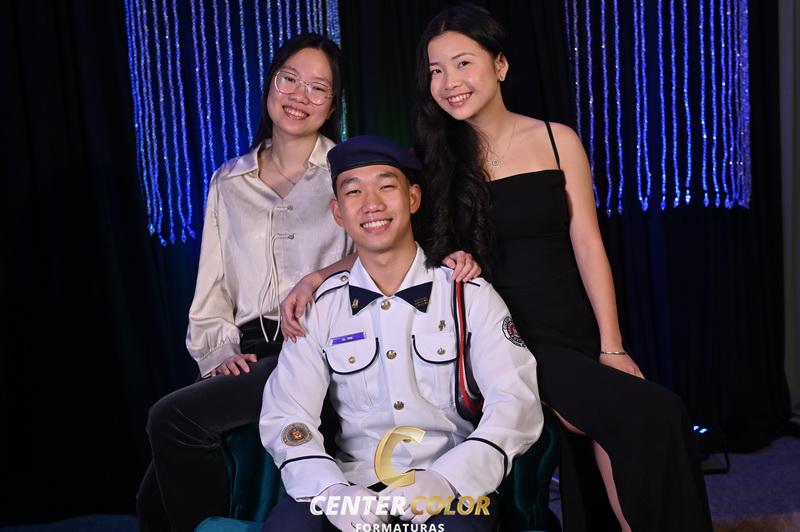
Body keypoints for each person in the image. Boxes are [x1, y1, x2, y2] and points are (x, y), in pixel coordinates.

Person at [136, 33, 479, 532]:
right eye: (290, 80)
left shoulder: (348, 174)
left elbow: (385, 248)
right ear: (270, 85)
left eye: (318, 88)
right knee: (151, 493)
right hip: (245, 347)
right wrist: (218, 352)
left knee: (171, 419)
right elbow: (212, 287)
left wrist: (318, 277)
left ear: (333, 105)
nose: (300, 96)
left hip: (314, 342)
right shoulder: (229, 180)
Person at [411, 4, 713, 532]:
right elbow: (399, 243)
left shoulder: (557, 139)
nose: (449, 82)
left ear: (500, 65)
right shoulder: (433, 158)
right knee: (653, 413)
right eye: (436, 70)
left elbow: (588, 245)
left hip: (573, 326)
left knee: (636, 419)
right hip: (509, 338)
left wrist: (611, 345)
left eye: (463, 63)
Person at [260, 135, 543, 532]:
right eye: (353, 192)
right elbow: (288, 415)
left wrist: (447, 479)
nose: (371, 204)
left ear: (413, 198)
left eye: (386, 186)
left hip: (451, 486)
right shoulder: (320, 309)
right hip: (352, 484)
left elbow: (515, 401)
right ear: (338, 213)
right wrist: (330, 490)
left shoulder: (468, 294)